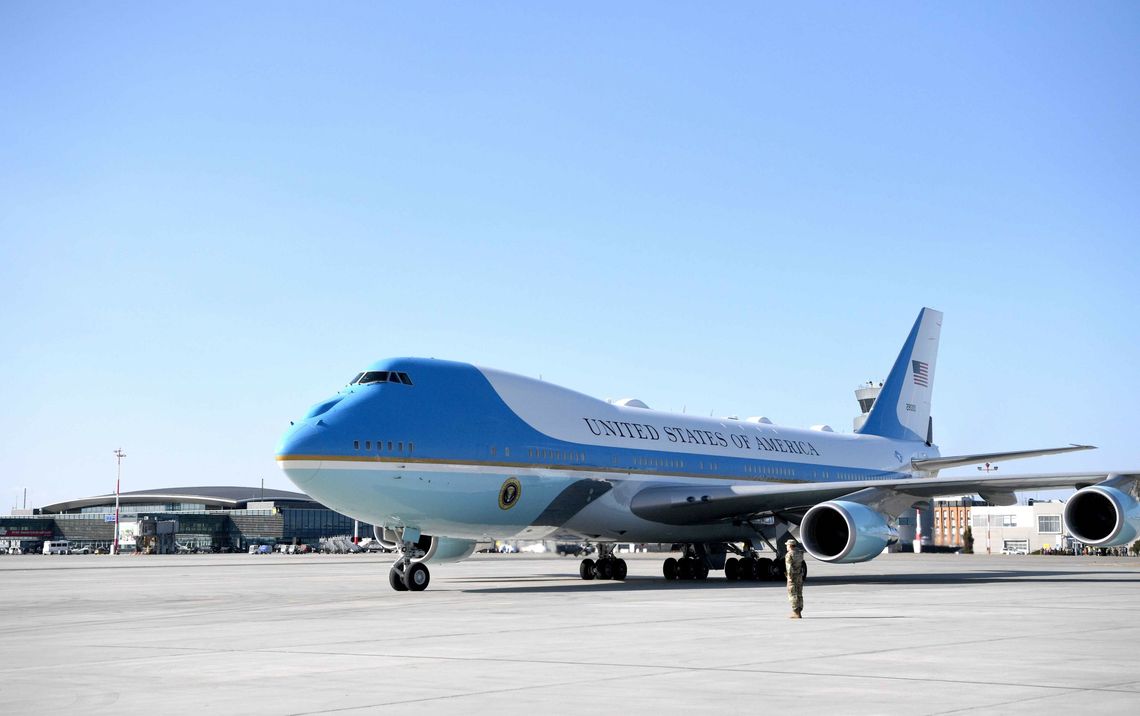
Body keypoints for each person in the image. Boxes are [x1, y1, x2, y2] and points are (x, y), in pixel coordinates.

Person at [785, 537, 805, 619]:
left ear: (790, 545)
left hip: (793, 576)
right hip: (799, 575)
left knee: (792, 594)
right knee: (799, 594)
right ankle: (799, 611)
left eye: (787, 545)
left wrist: (789, 577)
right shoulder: (800, 553)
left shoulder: (789, 554)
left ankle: (795, 612)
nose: (786, 547)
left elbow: (789, 567)